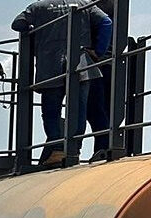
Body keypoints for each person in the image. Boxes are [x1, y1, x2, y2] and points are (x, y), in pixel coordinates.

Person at [12, 0, 112, 166]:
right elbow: (106, 22)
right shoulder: (84, 3)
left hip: (50, 64)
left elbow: (18, 23)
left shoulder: (38, 7)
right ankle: (75, 149)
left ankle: (57, 150)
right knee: (79, 110)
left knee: (51, 112)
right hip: (81, 65)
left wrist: (32, 30)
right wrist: (98, 51)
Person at [86, 0, 114, 160]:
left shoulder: (98, 5)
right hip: (109, 62)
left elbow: (105, 22)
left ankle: (102, 148)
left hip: (98, 62)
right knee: (104, 110)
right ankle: (104, 148)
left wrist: (97, 52)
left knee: (94, 109)